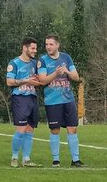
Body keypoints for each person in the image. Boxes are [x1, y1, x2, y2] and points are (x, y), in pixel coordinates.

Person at [36, 33, 83, 167]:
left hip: (68, 100)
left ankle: (75, 160)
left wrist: (66, 72)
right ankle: (55, 160)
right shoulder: (43, 60)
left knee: (72, 129)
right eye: (46, 44)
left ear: (57, 45)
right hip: (52, 101)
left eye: (51, 44)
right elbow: (43, 80)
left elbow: (76, 77)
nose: (48, 47)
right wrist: (56, 73)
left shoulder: (66, 58)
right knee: (55, 130)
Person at [6, 37, 42, 167]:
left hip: (32, 98)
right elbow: (9, 82)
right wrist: (27, 81)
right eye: (33, 48)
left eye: (36, 48)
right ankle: (14, 157)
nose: (35, 51)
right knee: (20, 129)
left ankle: (26, 159)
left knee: (30, 130)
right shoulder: (14, 63)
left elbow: (38, 81)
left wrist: (37, 81)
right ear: (24, 48)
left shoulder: (34, 64)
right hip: (20, 98)